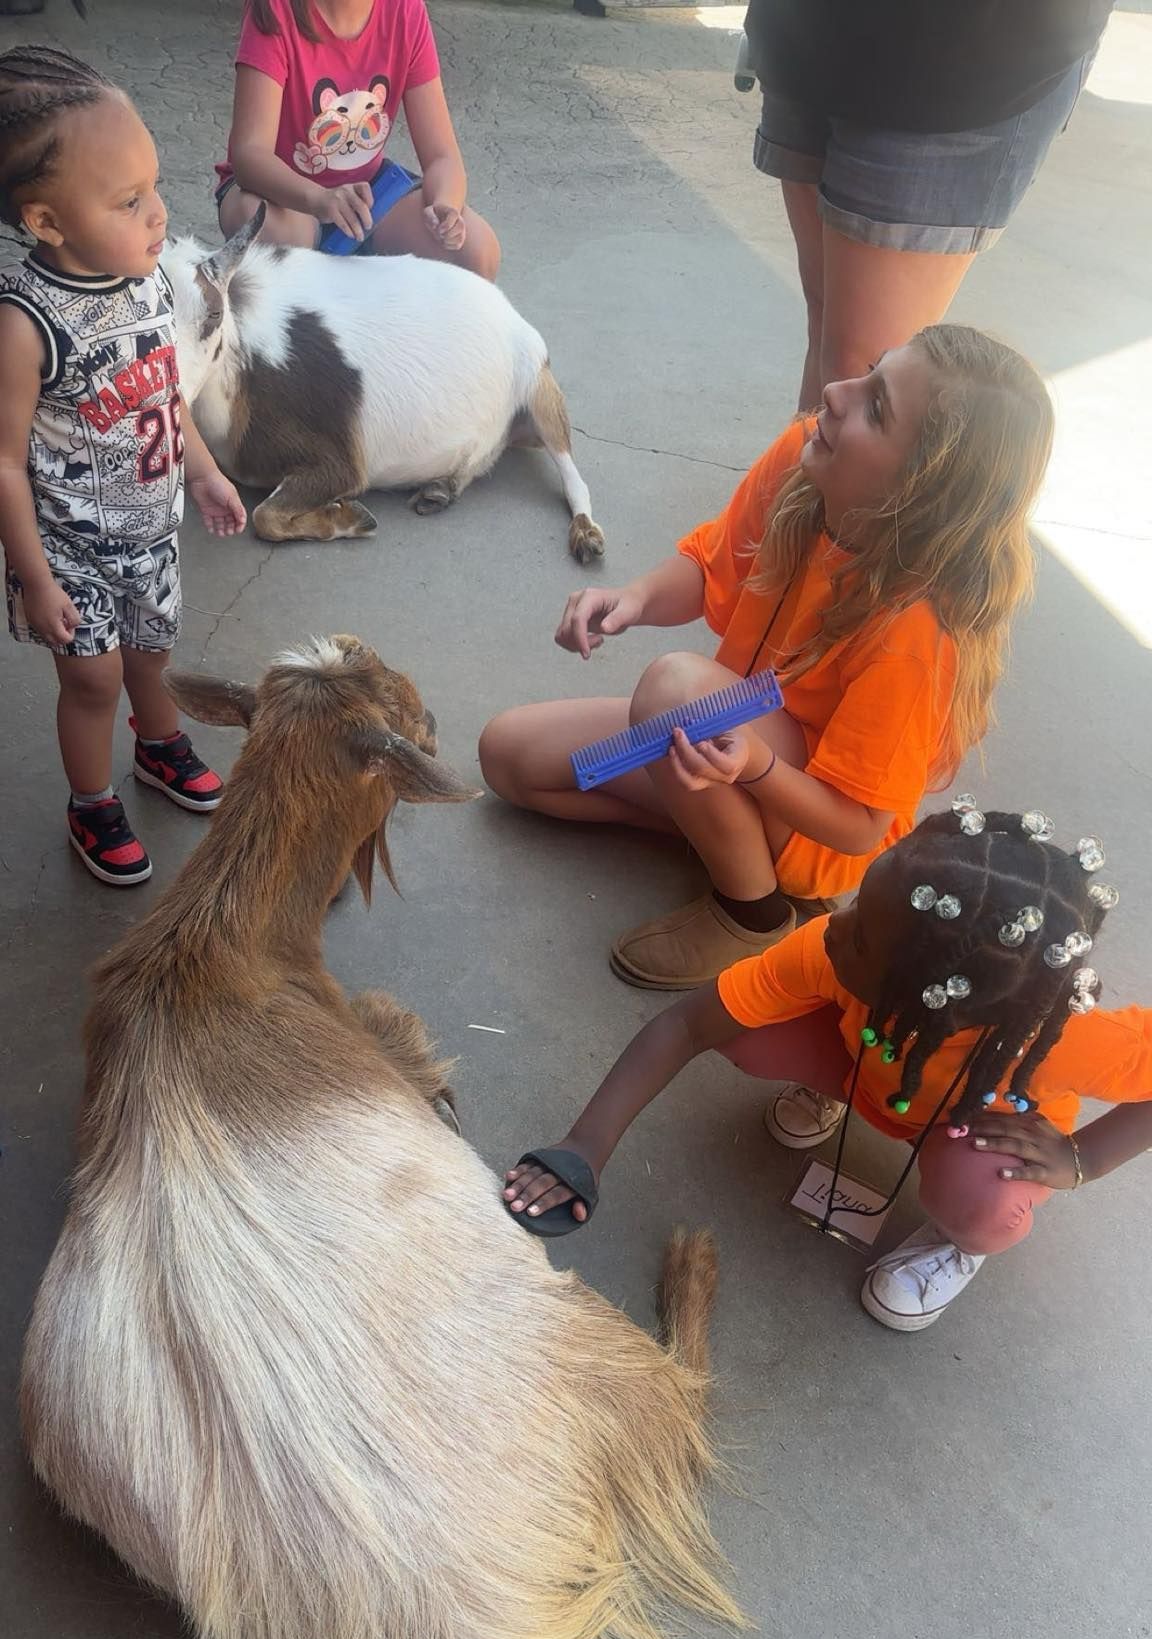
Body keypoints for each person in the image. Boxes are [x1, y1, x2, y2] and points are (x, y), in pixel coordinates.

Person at [480, 326, 1053, 991]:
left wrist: (754, 769)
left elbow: (860, 828)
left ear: (919, 491)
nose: (836, 394)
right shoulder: (805, 459)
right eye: (868, 372)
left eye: (876, 407)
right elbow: (714, 565)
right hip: (720, 741)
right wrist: (631, 598)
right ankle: (720, 834)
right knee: (512, 759)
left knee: (674, 687)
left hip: (805, 820)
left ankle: (753, 910)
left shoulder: (919, 628)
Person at [502, 805, 1152, 1333]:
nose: (833, 924)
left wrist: (1083, 1158)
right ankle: (833, 1096)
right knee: (744, 1021)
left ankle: (959, 1243)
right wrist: (585, 1145)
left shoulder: (1070, 1036)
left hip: (968, 1134)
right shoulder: (832, 943)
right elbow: (687, 1024)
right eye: (859, 904)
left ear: (933, 992)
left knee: (986, 1205)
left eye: (863, 933)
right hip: (861, 1063)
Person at [0, 48, 248, 886]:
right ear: (47, 222)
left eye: (155, 186)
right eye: (128, 199)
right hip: (70, 554)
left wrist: (206, 471)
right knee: (95, 682)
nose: (157, 215)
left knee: (152, 656)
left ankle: (159, 745)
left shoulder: (142, 284)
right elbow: (3, 461)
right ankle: (92, 799)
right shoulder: (27, 327)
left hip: (154, 530)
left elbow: (161, 393)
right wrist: (33, 577)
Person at [741, 0, 1111, 406]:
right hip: (807, 30)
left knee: (865, 383)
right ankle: (798, 471)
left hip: (961, 55)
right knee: (827, 329)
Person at [215, 0, 500, 279]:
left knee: (477, 250)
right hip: (281, 195)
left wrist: (445, 207)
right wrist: (319, 199)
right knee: (270, 231)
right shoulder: (275, 10)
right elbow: (250, 155)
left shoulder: (405, 10)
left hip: (366, 197)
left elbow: (442, 155)